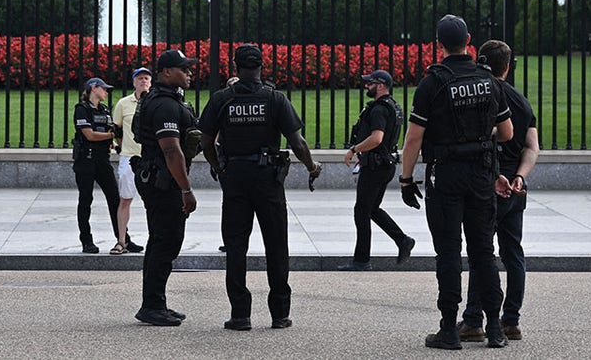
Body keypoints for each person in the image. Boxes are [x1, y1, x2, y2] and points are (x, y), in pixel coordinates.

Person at [399, 14, 514, 350]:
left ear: (439, 44)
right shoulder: (488, 78)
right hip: (481, 174)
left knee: (448, 253)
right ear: (469, 39)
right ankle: (494, 328)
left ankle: (449, 329)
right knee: (483, 252)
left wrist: (406, 180)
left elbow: (413, 139)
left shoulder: (432, 83)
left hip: (445, 176)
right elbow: (506, 133)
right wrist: (480, 137)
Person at [199, 44, 323, 332]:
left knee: (236, 247)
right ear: (261, 67)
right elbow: (297, 142)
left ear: (235, 67)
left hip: (235, 178)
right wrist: (311, 167)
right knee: (276, 244)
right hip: (268, 178)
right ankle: (280, 313)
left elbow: (205, 142)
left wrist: (219, 166)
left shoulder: (222, 99)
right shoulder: (274, 99)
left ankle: (240, 314)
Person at [459, 40, 540, 343]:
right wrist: (519, 176)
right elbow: (532, 148)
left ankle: (472, 319)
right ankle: (512, 319)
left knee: (482, 253)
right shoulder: (522, 102)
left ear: (482, 62)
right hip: (516, 187)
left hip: (489, 183)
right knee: (513, 252)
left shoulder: (482, 95)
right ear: (507, 66)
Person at [131, 48, 201, 327]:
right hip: (163, 181)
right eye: (184, 69)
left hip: (158, 177)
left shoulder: (167, 100)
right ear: (166, 72)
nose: (189, 73)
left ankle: (155, 303)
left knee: (162, 241)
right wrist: (186, 190)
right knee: (165, 241)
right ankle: (152, 306)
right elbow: (172, 150)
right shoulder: (165, 106)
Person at [339, 68, 415, 271]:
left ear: (380, 86)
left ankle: (362, 260)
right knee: (371, 209)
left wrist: (354, 150)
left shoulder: (380, 109)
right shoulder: (393, 106)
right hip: (383, 164)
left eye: (370, 83)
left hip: (376, 167)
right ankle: (403, 240)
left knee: (361, 211)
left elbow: (377, 138)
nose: (367, 86)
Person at [72, 77, 122, 254]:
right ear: (93, 88)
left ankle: (123, 238)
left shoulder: (105, 110)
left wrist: (116, 145)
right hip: (85, 160)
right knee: (86, 200)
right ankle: (86, 240)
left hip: (103, 160)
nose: (106, 92)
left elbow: (107, 133)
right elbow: (90, 135)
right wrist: (112, 136)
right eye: (104, 88)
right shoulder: (82, 109)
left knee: (115, 199)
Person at [110, 67, 151, 255]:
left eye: (146, 78)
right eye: (140, 78)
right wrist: (123, 146)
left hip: (150, 157)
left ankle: (155, 240)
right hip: (129, 156)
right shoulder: (123, 103)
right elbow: (116, 129)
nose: (143, 81)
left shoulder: (156, 102)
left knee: (153, 201)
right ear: (134, 82)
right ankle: (121, 240)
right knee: (125, 199)